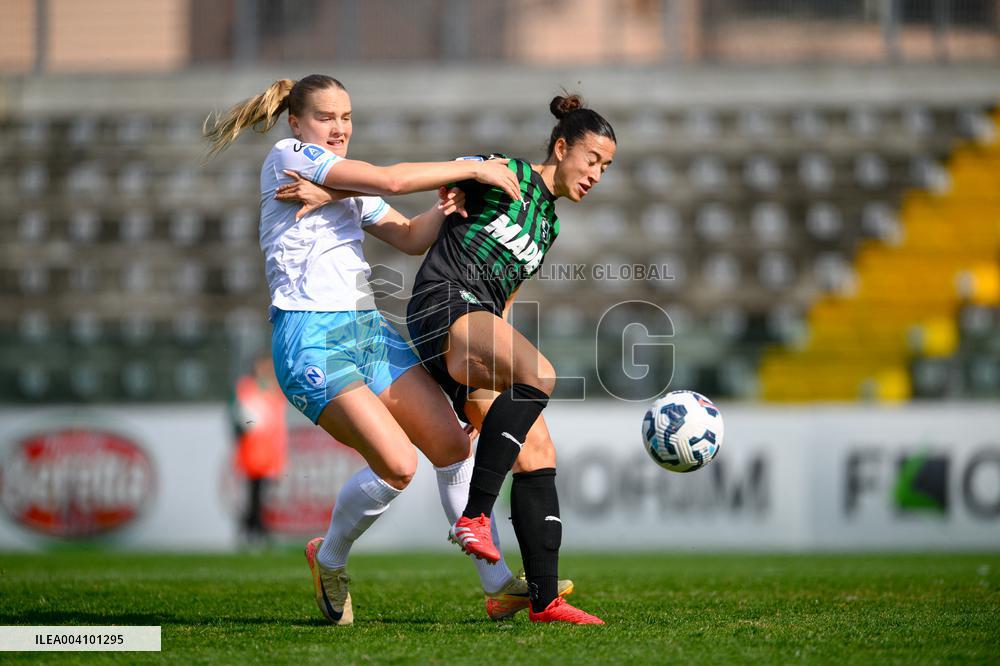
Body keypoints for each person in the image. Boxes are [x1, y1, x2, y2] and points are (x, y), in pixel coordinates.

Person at [204, 74, 572, 625]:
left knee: (452, 444)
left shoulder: (341, 183)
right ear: (296, 122)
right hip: (309, 335)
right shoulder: (289, 156)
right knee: (398, 466)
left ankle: (499, 586)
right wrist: (471, 167)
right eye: (327, 117)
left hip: (367, 332)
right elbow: (394, 181)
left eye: (346, 117)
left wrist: (451, 205)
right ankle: (328, 557)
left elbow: (408, 233)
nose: (339, 127)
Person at [406, 94, 616, 624]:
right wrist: (459, 177)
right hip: (443, 303)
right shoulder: (509, 174)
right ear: (562, 147)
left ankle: (545, 601)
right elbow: (430, 175)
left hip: (479, 324)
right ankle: (475, 515)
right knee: (541, 374)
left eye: (606, 167)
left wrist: (490, 379)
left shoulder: (549, 227)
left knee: (538, 448)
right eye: (591, 159)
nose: (596, 173)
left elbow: (505, 297)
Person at [229, 354, 288, 548]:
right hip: (253, 450)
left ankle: (255, 529)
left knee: (262, 494)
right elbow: (241, 416)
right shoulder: (247, 386)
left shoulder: (273, 388)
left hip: (270, 451)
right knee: (254, 492)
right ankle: (254, 530)